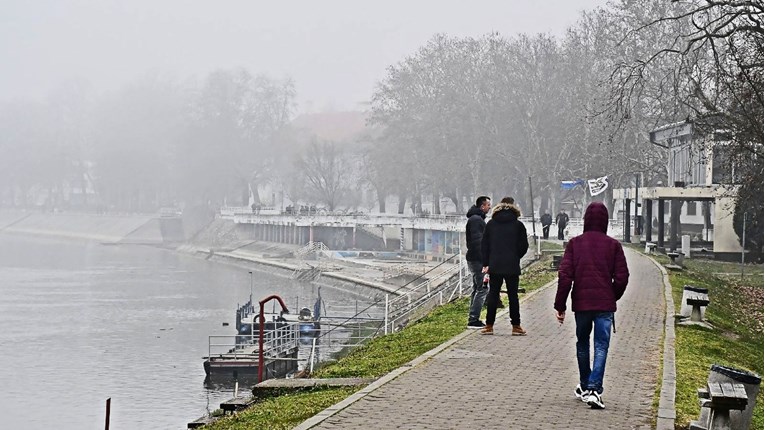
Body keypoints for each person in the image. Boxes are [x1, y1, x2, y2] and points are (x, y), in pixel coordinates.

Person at [554, 201, 629, 410]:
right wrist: (611, 296)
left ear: (586, 219)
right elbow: (622, 277)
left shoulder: (575, 244)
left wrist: (560, 305)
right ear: (605, 221)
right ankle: (594, 388)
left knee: (582, 343)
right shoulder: (613, 246)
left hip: (582, 304)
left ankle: (587, 386)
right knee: (601, 346)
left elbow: (565, 276)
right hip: (604, 306)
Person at [479, 197, 529, 335]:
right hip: (512, 265)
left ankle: (489, 326)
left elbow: (485, 245)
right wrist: (515, 256)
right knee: (513, 295)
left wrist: (486, 262)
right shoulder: (518, 225)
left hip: (495, 264)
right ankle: (516, 326)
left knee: (493, 294)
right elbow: (524, 246)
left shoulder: (491, 224)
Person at [465, 196, 492, 328]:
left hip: (474, 258)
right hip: (478, 260)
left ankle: (473, 317)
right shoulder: (476, 220)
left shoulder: (476, 219)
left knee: (477, 288)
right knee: (483, 289)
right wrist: (485, 260)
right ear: (482, 206)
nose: (489, 207)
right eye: (488, 205)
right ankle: (473, 319)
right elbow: (478, 242)